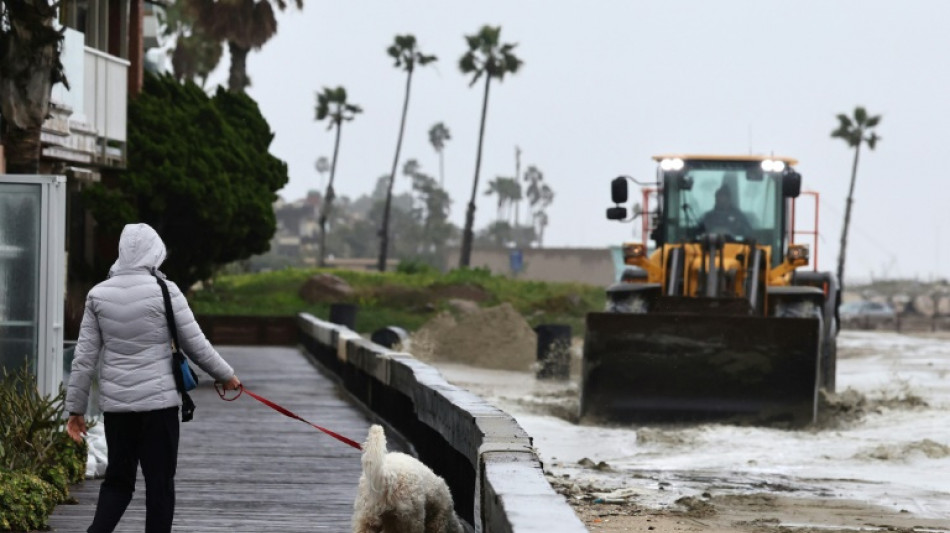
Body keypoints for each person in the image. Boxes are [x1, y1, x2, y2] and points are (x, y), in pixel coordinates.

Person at [65, 223, 241, 533]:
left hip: (118, 409)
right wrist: (226, 376)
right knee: (160, 487)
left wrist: (75, 409)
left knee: (118, 484)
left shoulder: (98, 295)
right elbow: (196, 344)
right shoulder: (166, 291)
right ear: (153, 252)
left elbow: (84, 358)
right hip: (159, 409)